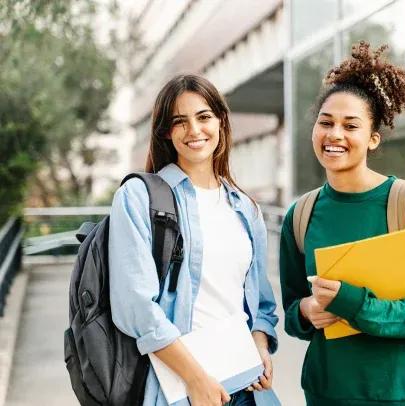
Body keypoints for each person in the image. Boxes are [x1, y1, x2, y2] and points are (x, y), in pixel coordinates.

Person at [279, 41, 405, 405]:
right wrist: (306, 311)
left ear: (372, 139)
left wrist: (353, 303)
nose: (334, 135)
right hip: (328, 393)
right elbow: (293, 310)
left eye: (350, 126)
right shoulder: (301, 214)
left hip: (404, 392)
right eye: (326, 123)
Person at [108, 74, 279, 406]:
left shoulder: (246, 209)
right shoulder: (139, 197)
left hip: (248, 387)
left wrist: (259, 344)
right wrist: (195, 379)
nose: (194, 130)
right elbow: (136, 307)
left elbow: (261, 304)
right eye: (180, 122)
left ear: (221, 122)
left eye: (204, 117)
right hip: (181, 390)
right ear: (166, 133)